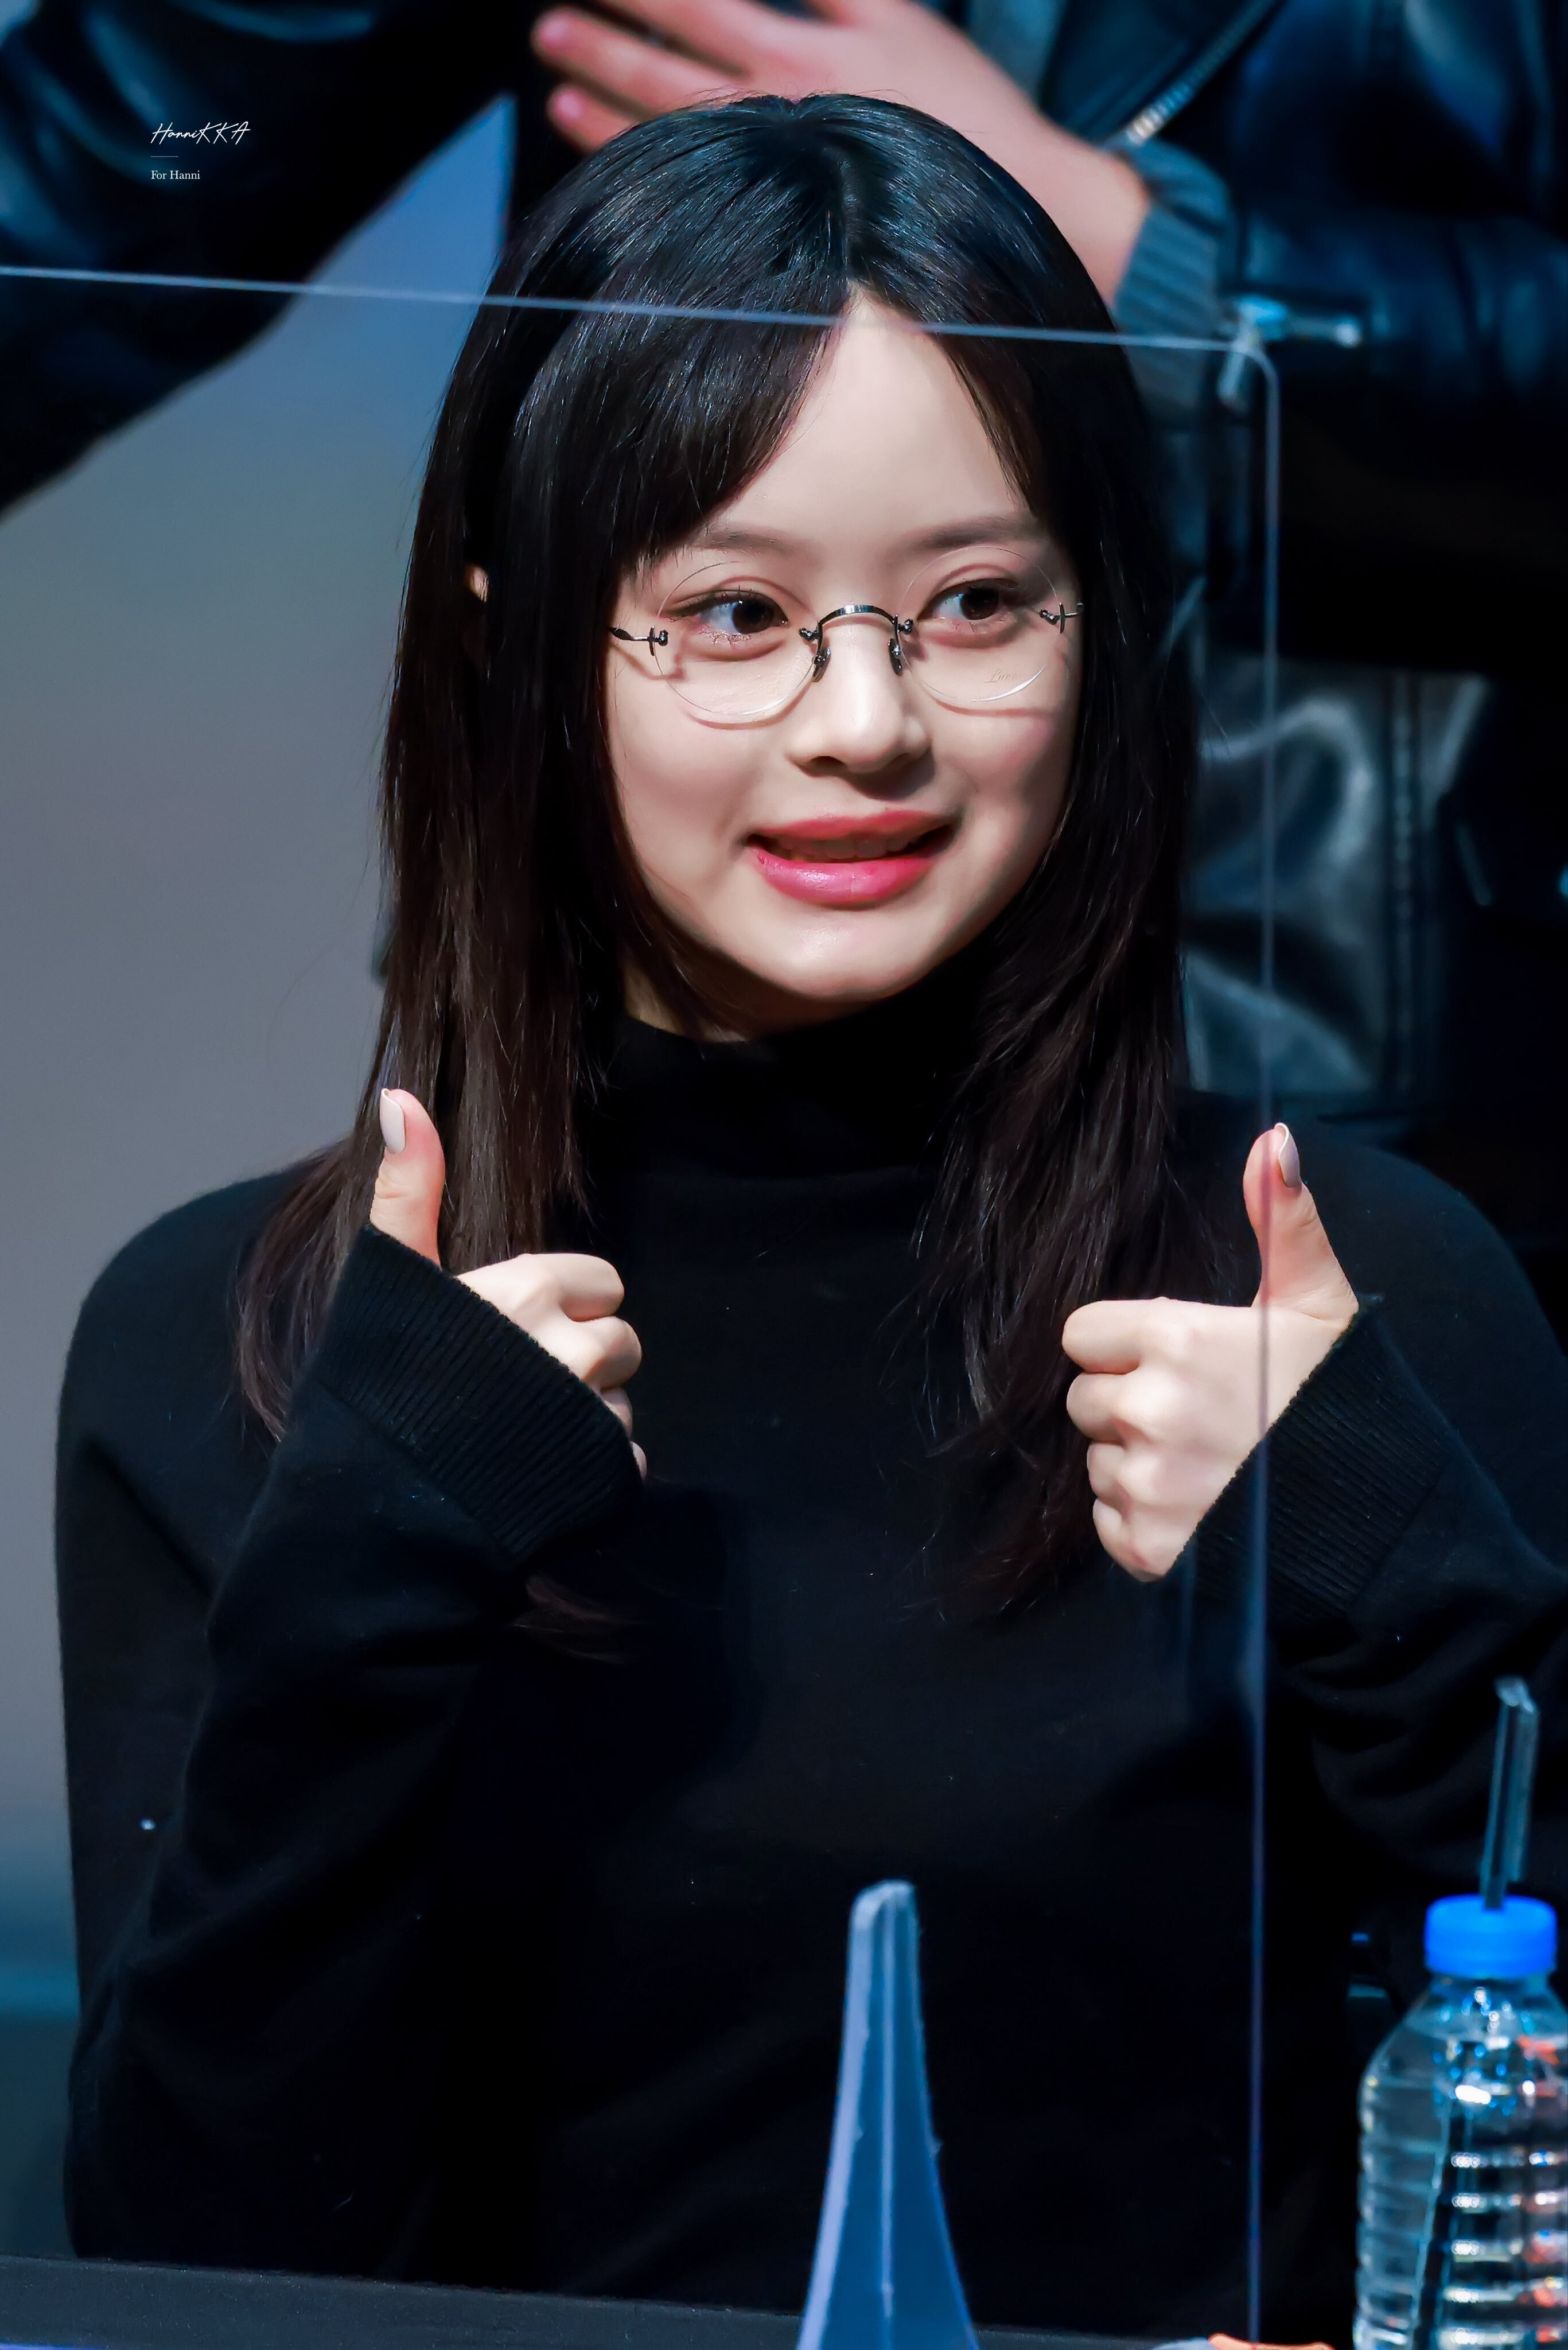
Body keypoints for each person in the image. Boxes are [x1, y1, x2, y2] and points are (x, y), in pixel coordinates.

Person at [54, 97, 1568, 2345]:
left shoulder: (1341, 1306)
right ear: (514, 645)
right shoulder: (240, 1343)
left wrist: (1395, 1577)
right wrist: (356, 1593)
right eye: (734, 615)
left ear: (1101, 622)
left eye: (974, 605)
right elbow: (184, 2269)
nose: (865, 723)